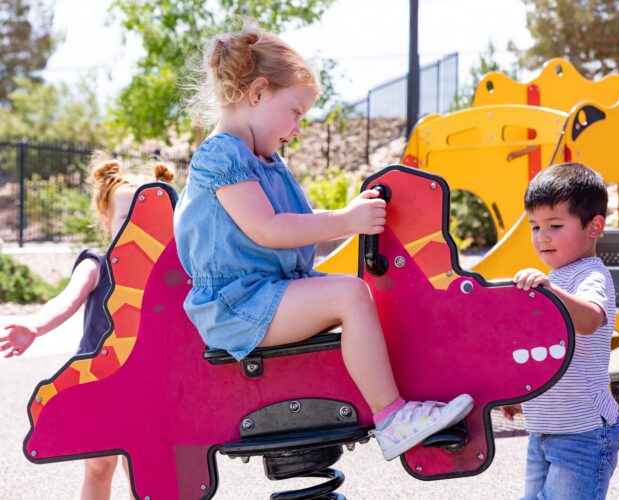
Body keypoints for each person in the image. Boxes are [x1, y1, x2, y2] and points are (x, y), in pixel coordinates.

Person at [174, 20, 473, 461]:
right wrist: (347, 220)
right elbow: (269, 228)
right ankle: (392, 417)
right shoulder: (222, 154)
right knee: (349, 295)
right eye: (295, 112)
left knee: (365, 294)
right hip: (236, 305)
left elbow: (291, 223)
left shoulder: (263, 158)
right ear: (257, 94)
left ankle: (419, 386)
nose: (297, 128)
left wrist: (348, 216)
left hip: (264, 294)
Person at [0, 154, 174, 499]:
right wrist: (35, 326)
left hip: (151, 380)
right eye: (127, 218)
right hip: (101, 377)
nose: (136, 227)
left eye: (146, 218)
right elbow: (66, 300)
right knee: (99, 464)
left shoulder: (172, 271)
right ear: (107, 220)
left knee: (146, 466)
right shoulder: (97, 263)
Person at [500, 162, 619, 500]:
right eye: (535, 227)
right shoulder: (554, 279)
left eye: (555, 225)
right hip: (543, 430)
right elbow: (545, 352)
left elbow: (590, 319)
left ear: (594, 226)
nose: (543, 237)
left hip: (583, 433)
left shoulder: (590, 276)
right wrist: (522, 395)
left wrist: (550, 292)